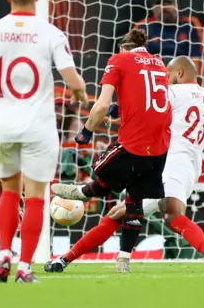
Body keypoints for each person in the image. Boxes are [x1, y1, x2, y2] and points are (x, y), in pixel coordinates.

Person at [45, 56, 204, 274]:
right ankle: (63, 259)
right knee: (121, 213)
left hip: (167, 163)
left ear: (179, 72)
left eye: (168, 73)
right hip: (190, 169)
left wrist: (111, 113)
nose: (164, 78)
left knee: (169, 214)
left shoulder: (171, 92)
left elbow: (141, 107)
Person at [0, 0, 87, 283]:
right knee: (35, 196)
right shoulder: (51, 33)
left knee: (8, 191)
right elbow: (72, 79)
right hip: (39, 128)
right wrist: (79, 94)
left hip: (2, 127)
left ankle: (4, 252)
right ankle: (25, 268)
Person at [51, 28, 172, 274]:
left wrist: (87, 130)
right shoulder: (158, 63)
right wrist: (121, 108)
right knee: (133, 205)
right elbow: (150, 99)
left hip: (133, 145)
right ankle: (124, 260)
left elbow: (101, 104)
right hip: (159, 149)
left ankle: (84, 192)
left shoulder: (119, 59)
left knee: (101, 167)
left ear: (121, 48)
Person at [137, 0, 202, 58]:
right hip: (152, 65)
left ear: (176, 5)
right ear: (153, 8)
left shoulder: (189, 24)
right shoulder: (143, 26)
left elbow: (197, 55)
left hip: (182, 65)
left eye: (168, 3)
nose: (164, 7)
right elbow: (136, 54)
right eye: (159, 4)